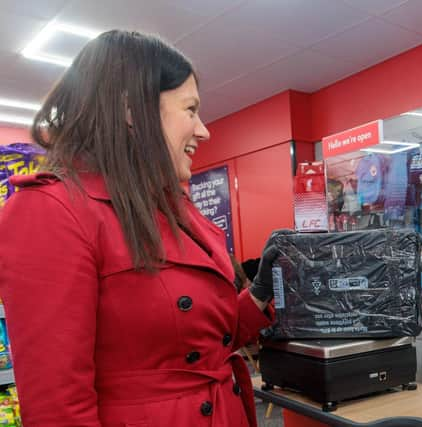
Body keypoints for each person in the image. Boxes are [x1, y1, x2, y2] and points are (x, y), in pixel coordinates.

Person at [0, 30, 281, 427]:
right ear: (133, 110)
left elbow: (199, 343)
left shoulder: (174, 207)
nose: (204, 130)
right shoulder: (50, 212)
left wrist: (260, 292)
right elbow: (57, 411)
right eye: (190, 110)